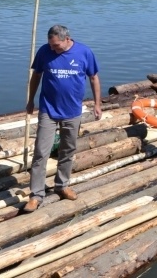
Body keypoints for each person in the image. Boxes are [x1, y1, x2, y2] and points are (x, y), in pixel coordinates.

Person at [23, 24, 101, 213]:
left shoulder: (84, 52)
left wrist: (98, 104)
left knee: (67, 149)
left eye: (56, 45)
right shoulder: (44, 51)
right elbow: (36, 76)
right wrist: (30, 99)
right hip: (48, 110)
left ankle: (62, 185)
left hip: (72, 110)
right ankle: (36, 195)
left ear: (67, 39)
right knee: (41, 151)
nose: (52, 48)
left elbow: (94, 78)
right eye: (50, 45)